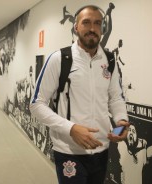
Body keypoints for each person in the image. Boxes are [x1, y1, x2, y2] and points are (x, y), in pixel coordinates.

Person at [30, 5, 130, 184]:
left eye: (97, 23)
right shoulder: (59, 59)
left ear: (103, 28)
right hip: (69, 151)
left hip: (101, 149)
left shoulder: (110, 60)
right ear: (76, 27)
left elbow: (115, 97)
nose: (92, 28)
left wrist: (121, 120)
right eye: (86, 23)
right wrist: (71, 129)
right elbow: (36, 104)